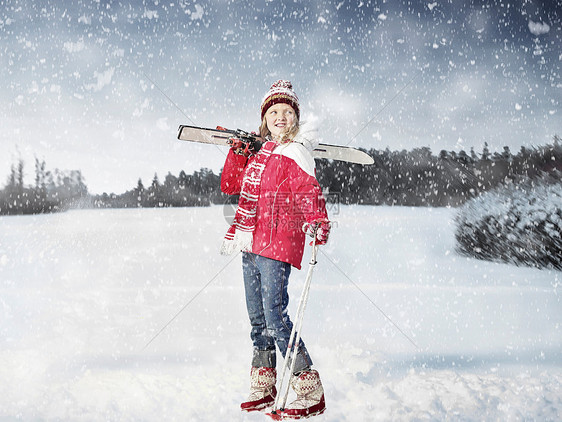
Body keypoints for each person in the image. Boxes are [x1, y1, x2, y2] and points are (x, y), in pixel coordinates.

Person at [220, 80, 330, 419]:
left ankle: (309, 389)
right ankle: (264, 384)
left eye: (286, 112)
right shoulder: (262, 154)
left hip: (278, 243)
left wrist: (318, 220)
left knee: (275, 317)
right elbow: (229, 185)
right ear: (265, 118)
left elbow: (309, 191)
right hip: (250, 241)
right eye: (273, 112)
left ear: (295, 118)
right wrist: (238, 153)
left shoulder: (295, 152)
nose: (280, 117)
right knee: (258, 319)